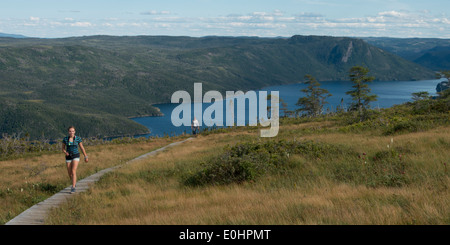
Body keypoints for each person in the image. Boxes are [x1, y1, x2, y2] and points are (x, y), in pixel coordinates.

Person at [62, 126, 88, 194]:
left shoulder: (78, 139)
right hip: (68, 156)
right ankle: (74, 182)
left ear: (75, 131)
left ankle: (73, 187)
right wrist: (65, 152)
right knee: (69, 173)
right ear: (68, 132)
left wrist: (85, 156)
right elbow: (63, 148)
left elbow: (82, 148)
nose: (71, 132)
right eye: (70, 131)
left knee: (73, 171)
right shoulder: (65, 139)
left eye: (73, 131)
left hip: (76, 155)